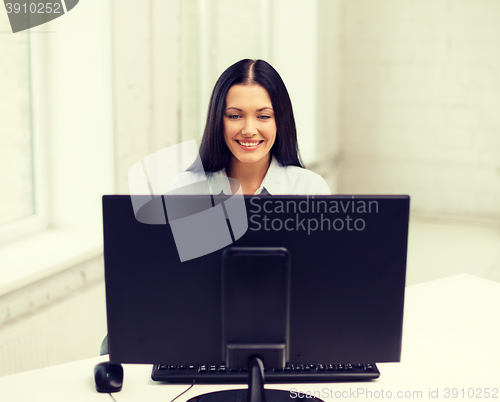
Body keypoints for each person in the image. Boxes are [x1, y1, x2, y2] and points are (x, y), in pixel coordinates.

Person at [171, 59, 330, 196]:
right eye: (235, 116)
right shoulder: (186, 189)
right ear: (218, 120)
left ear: (280, 121)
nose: (249, 130)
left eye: (263, 116)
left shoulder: (309, 189)